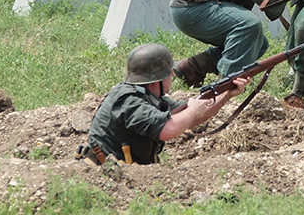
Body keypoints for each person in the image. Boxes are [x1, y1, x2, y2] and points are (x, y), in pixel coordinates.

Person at [85, 43, 249, 165]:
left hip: (121, 173)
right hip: (101, 175)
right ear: (157, 79)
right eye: (168, 73)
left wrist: (227, 94)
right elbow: (168, 130)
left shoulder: (151, 97)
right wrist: (192, 111)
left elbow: (191, 116)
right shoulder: (129, 100)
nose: (172, 75)